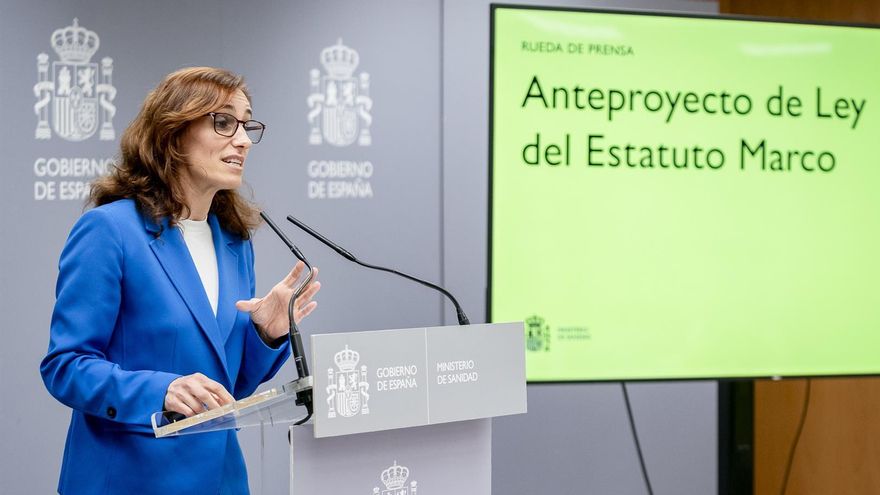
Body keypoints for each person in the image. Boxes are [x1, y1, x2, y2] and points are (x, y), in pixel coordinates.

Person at [40, 67, 320, 494]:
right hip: (131, 479)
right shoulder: (109, 231)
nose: (242, 140)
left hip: (220, 479)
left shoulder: (234, 241)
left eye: (247, 125)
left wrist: (265, 333)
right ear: (172, 134)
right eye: (223, 122)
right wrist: (161, 390)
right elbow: (66, 366)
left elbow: (226, 389)